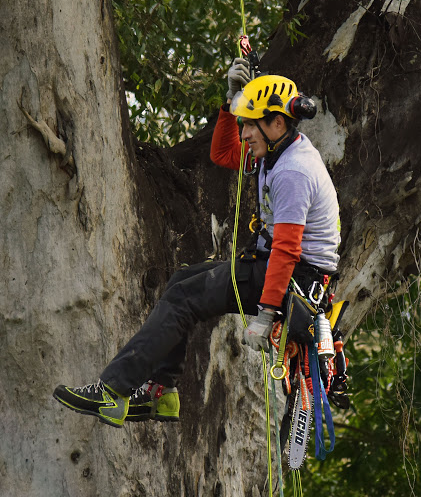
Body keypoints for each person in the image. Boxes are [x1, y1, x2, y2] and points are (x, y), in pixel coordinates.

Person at [53, 60, 340, 428]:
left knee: (184, 299)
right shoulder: (276, 151)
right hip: (278, 268)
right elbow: (221, 154)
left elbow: (286, 249)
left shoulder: (293, 171)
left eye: (251, 123)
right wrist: (228, 102)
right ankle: (163, 392)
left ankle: (113, 391)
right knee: (180, 282)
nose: (245, 132)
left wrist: (265, 315)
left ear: (278, 123)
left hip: (290, 279)